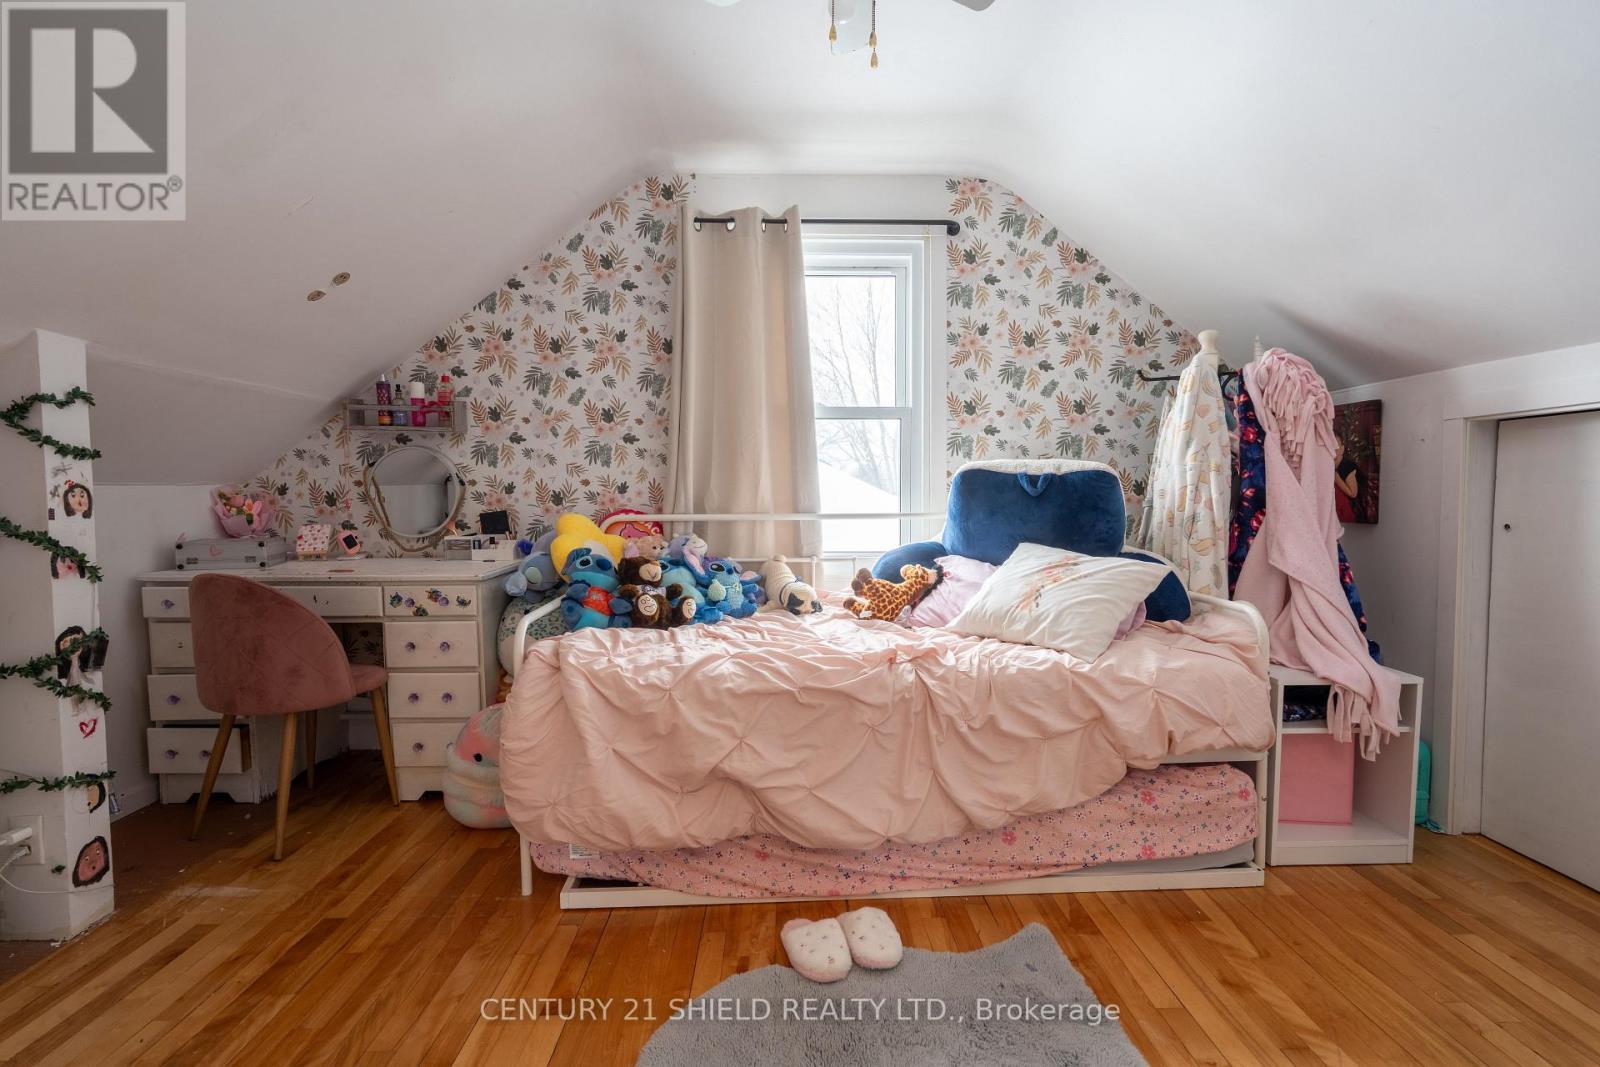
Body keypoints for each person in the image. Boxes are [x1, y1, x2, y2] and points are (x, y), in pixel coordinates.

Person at [1334, 436, 1363, 523]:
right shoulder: (1332, 464)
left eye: (1336, 446)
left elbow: (1353, 493)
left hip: (1361, 499)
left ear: (1342, 449)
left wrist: (1336, 478)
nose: (1333, 449)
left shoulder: (1347, 466)